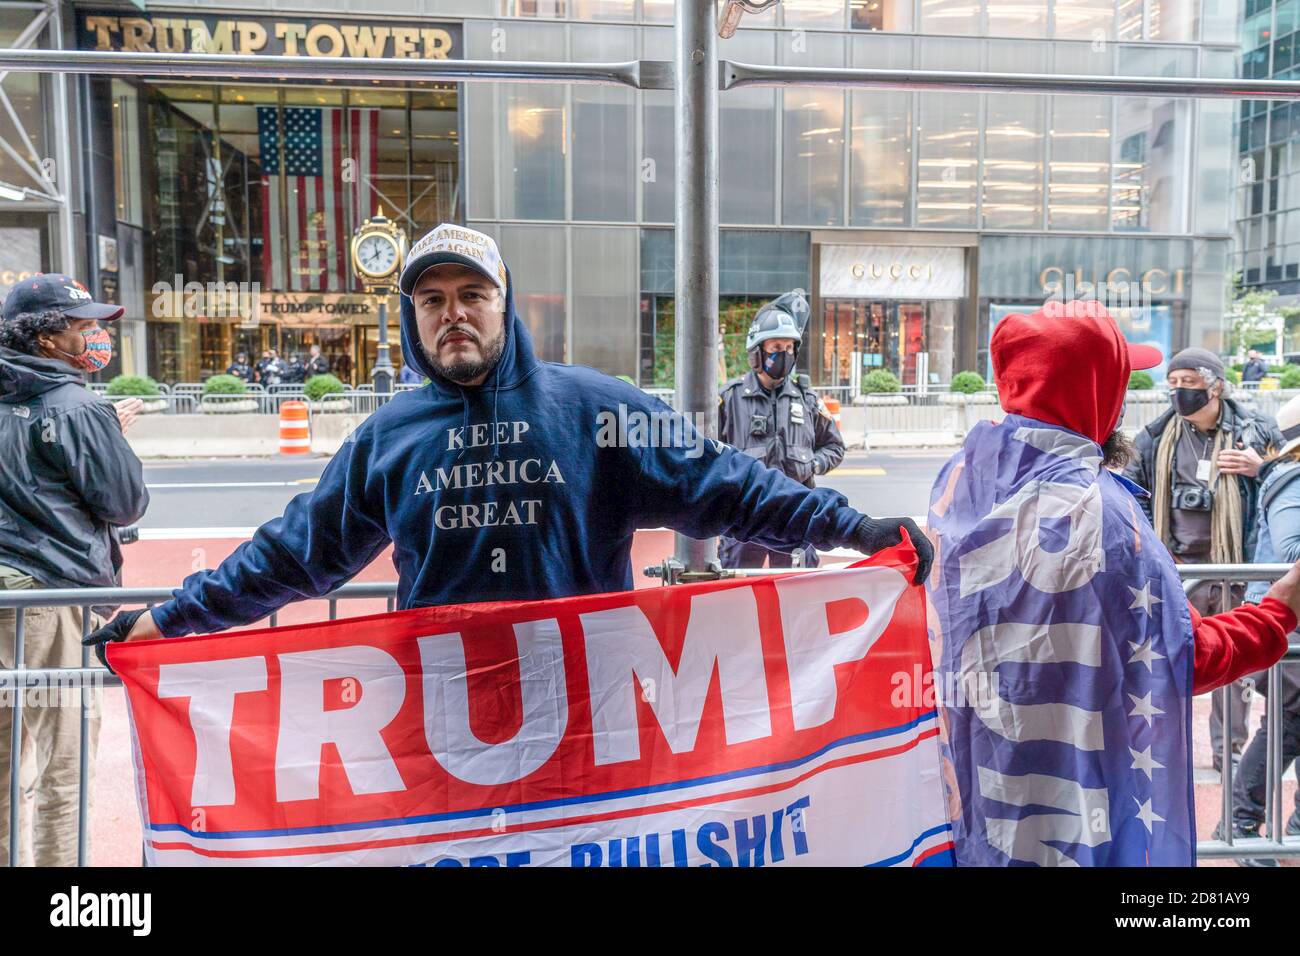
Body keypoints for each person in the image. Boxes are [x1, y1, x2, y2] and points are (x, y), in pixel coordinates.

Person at [87, 224, 931, 653]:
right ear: (414, 319)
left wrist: (856, 531)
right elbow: (290, 555)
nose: (452, 312)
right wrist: (165, 623)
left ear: (505, 303)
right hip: (444, 721)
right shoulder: (388, 440)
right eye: (431, 299)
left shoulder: (599, 408)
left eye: (471, 293)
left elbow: (732, 489)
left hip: (593, 716)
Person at [927, 298, 1297, 866]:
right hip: (1078, 812)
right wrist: (1279, 609)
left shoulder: (959, 483)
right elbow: (1182, 657)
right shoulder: (1101, 512)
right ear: (1095, 392)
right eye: (1120, 381)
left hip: (988, 798)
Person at [0, 273, 149, 866]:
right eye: (82, 325)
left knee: (6, 765)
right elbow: (124, 502)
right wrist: (106, 432)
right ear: (44, 338)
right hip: (50, 599)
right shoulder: (78, 407)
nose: (94, 335)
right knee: (66, 766)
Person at [1123, 347, 1283, 771]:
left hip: (1235, 569)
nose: (1179, 393)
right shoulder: (1156, 436)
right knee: (1168, 661)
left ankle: (1228, 752)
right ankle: (1162, 754)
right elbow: (1132, 499)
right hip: (1178, 573)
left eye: (1189, 384)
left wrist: (1260, 468)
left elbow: (1288, 484)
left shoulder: (1257, 431)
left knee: (1233, 666)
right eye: (1173, 384)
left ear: (1216, 385)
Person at [717, 290, 844, 568]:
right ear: (757, 352)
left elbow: (835, 447)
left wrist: (814, 464)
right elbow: (706, 453)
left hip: (796, 518)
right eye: (776, 347)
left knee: (797, 599)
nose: (783, 354)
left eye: (788, 348)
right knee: (734, 596)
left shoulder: (807, 399)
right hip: (743, 520)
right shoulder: (730, 399)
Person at [1228, 391, 1300, 864]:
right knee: (1288, 725)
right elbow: (1291, 553)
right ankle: (1239, 822)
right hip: (1288, 620)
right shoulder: (1291, 480)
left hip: (1288, 618)